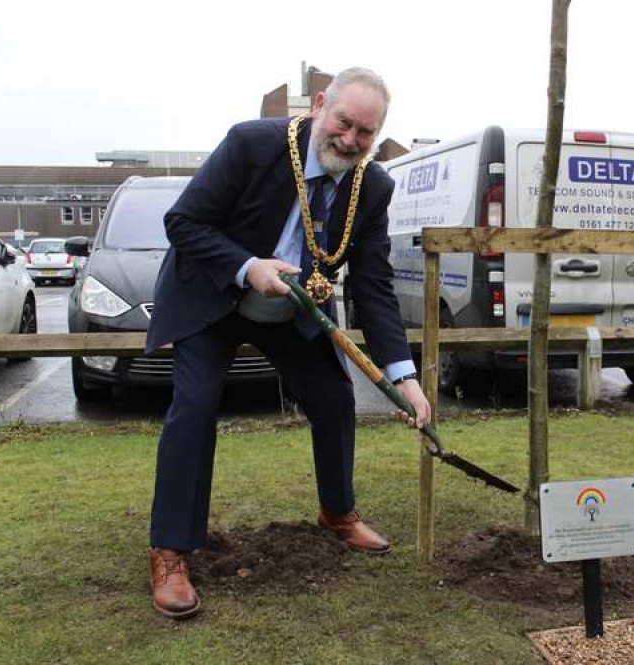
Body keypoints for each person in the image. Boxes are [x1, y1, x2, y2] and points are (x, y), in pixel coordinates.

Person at [144, 67, 430, 619]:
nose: (350, 140)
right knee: (196, 406)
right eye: (344, 122)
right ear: (321, 104)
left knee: (333, 397)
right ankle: (171, 549)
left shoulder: (373, 186)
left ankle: (337, 512)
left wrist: (405, 378)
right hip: (215, 293)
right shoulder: (252, 144)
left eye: (365, 133)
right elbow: (182, 223)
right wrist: (248, 267)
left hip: (294, 305)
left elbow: (374, 286)